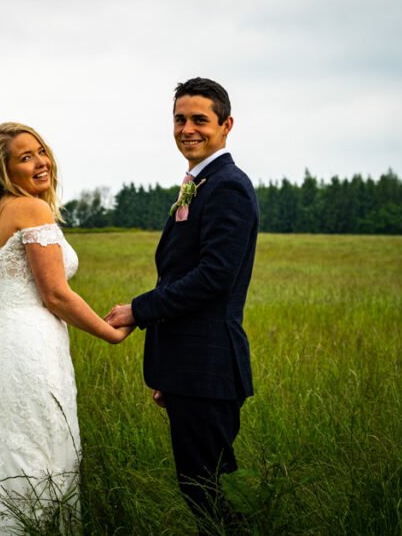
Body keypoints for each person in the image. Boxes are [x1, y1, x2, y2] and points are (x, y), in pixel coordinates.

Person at [0, 122, 131, 535]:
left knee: (13, 452)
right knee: (41, 452)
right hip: (30, 348)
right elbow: (55, 295)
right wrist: (111, 332)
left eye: (41, 151)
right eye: (26, 157)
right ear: (3, 170)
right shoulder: (30, 209)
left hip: (0, 347)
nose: (41, 162)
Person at [105, 78, 259, 533]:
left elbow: (214, 278)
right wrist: (171, 372)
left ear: (226, 125)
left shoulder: (227, 186)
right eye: (179, 119)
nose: (187, 129)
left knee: (209, 489)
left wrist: (140, 309)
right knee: (206, 484)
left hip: (208, 368)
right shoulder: (201, 182)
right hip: (190, 369)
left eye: (199, 120)